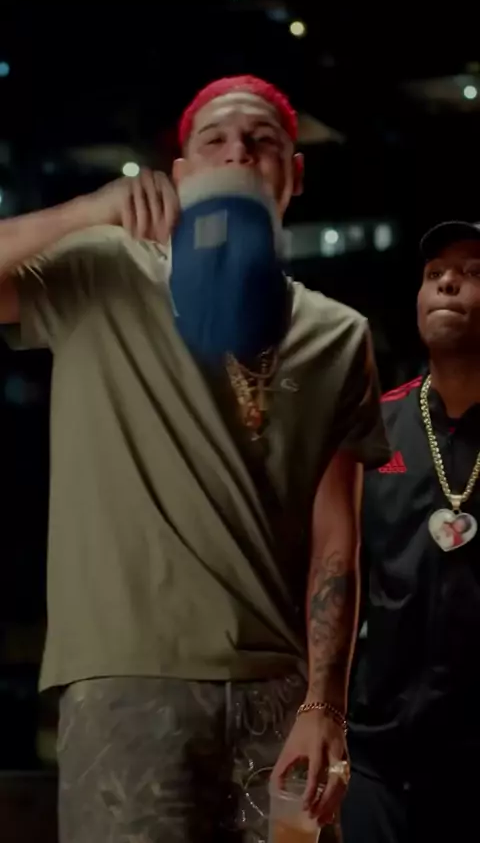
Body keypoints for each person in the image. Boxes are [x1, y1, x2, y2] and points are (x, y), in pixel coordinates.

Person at [0, 75, 389, 843]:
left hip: (281, 697)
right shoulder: (105, 270)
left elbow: (337, 541)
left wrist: (325, 707)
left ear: (293, 174)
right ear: (181, 173)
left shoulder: (341, 334)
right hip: (128, 684)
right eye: (214, 139)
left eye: (261, 140)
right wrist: (88, 211)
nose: (238, 151)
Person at [342, 221, 480, 843]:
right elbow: (336, 569)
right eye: (434, 274)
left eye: (472, 273)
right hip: (375, 753)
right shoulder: (377, 426)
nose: (448, 283)